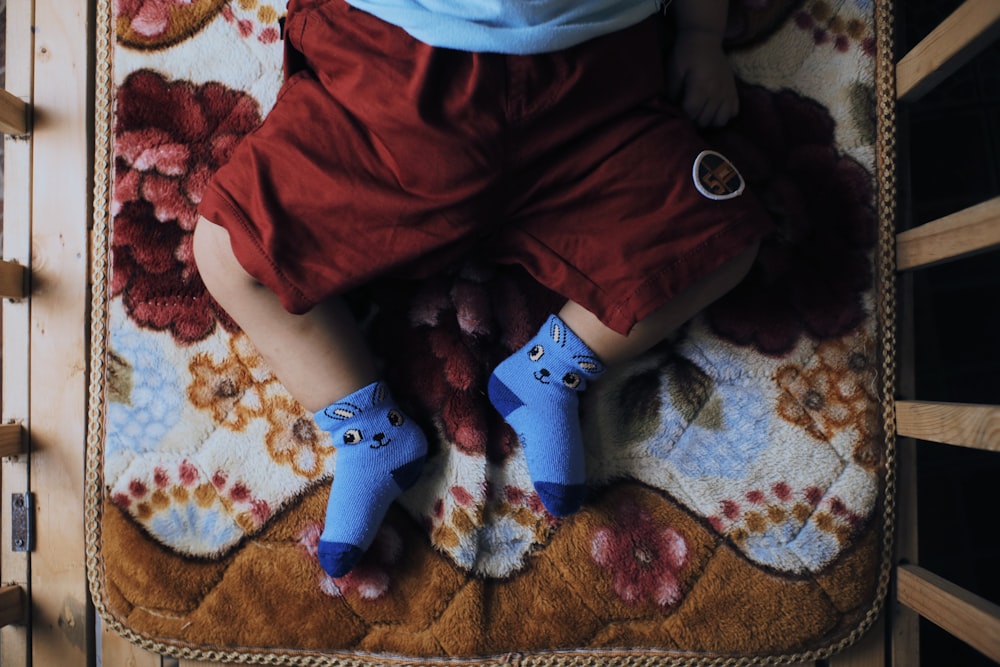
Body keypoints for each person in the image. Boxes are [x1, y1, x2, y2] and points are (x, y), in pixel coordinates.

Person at [193, 0, 773, 579]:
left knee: (721, 242)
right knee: (229, 248)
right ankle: (369, 431)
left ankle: (546, 373)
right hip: (397, 70)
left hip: (593, 87)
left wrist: (700, 34)